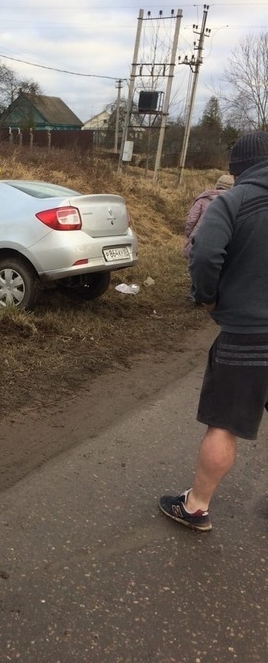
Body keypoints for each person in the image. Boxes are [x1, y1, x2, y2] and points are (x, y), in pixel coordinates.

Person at [159, 130, 268, 531]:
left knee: (225, 423)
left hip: (247, 336)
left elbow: (204, 254)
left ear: (236, 168)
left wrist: (207, 297)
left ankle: (196, 506)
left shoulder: (233, 202)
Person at [182, 173, 234, 261]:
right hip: (222, 245)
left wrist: (189, 235)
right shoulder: (234, 202)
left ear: (217, 184)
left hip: (198, 241)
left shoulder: (203, 198)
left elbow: (191, 220)